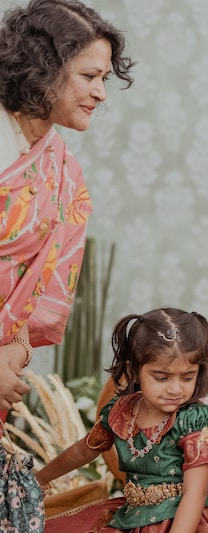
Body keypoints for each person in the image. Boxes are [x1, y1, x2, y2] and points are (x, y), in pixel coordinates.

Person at [0, 0, 134, 409]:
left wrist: (11, 353)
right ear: (42, 68)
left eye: (105, 77)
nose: (101, 92)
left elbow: (35, 300)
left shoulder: (64, 174)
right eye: (89, 76)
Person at [35, 308, 208, 532]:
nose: (176, 389)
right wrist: (40, 479)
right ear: (135, 371)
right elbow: (84, 450)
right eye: (162, 377)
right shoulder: (121, 413)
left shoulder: (192, 420)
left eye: (188, 377)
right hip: (136, 517)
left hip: (189, 518)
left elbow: (195, 492)